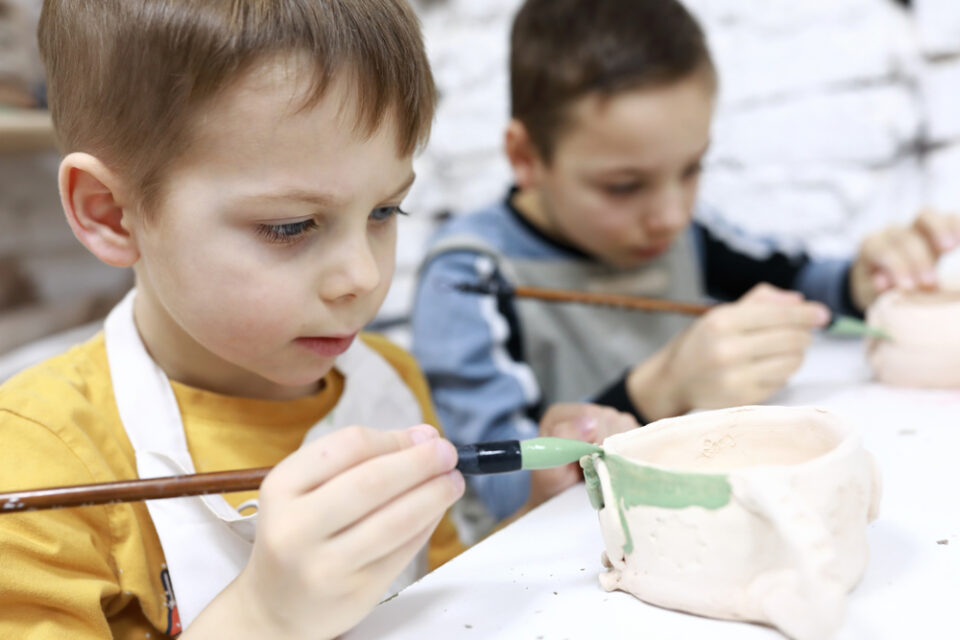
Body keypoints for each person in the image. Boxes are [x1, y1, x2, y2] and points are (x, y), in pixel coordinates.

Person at [0, 1, 637, 637]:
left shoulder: (388, 384)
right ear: (111, 213)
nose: (362, 276)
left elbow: (437, 608)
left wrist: (535, 519)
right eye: (290, 225)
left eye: (386, 212)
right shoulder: (37, 464)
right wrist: (260, 617)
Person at [412, 0, 960, 525]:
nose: (671, 216)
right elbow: (497, 491)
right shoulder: (469, 281)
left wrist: (865, 279)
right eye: (624, 186)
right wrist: (657, 390)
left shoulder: (684, 233)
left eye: (692, 169)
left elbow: (804, 282)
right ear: (526, 158)